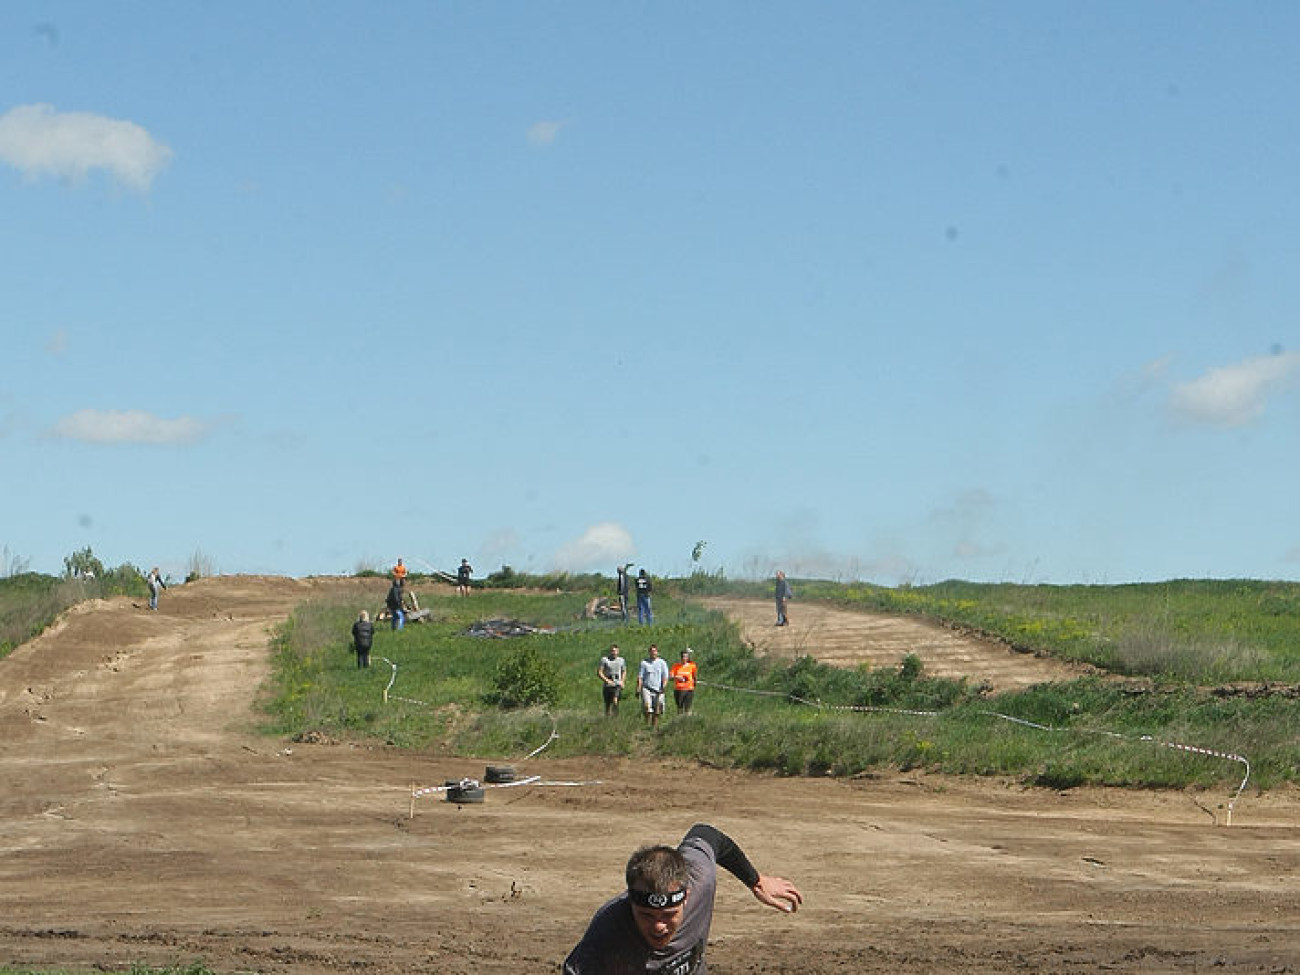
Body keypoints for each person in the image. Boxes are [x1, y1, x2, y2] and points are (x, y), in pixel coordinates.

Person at [563, 822, 802, 975]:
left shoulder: (699, 879)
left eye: (669, 915)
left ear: (686, 897)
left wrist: (756, 881)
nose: (658, 926)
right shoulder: (606, 933)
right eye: (646, 915)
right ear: (631, 904)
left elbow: (706, 833)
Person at [637, 644, 670, 729]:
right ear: (649, 652)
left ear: (657, 652)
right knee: (647, 707)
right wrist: (638, 688)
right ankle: (646, 725)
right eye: (651, 651)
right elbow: (640, 677)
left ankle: (654, 727)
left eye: (655, 651)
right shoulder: (644, 663)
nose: (653, 653)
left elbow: (665, 677)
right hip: (647, 688)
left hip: (658, 689)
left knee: (657, 709)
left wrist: (664, 687)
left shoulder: (662, 662)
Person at [597, 644, 627, 716]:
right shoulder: (605, 660)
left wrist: (622, 681)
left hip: (617, 684)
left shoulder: (621, 660)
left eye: (615, 651)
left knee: (615, 700)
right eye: (612, 651)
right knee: (608, 704)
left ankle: (615, 715)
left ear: (618, 651)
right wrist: (607, 680)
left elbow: (624, 671)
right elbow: (599, 672)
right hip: (608, 684)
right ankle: (608, 718)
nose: (614, 653)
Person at [670, 648, 697, 714]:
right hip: (679, 689)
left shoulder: (692, 666)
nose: (684, 658)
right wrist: (677, 677)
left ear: (688, 658)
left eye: (685, 657)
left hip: (688, 689)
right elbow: (670, 676)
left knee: (688, 707)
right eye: (682, 656)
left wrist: (693, 684)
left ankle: (688, 720)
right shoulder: (676, 666)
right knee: (679, 707)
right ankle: (680, 720)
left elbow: (694, 676)